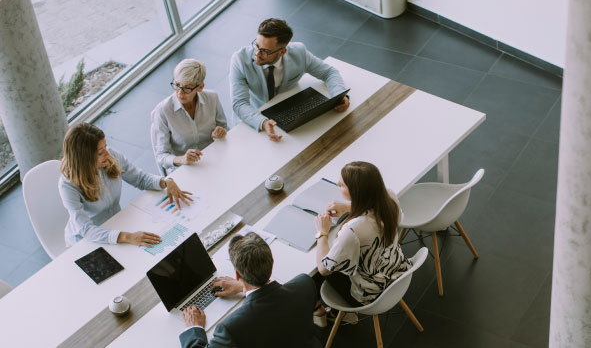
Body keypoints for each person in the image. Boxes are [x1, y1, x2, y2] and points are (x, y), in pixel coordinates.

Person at [59, 123, 192, 247]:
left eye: (105, 146)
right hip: (87, 242)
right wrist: (127, 237)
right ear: (84, 158)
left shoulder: (111, 156)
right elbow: (86, 229)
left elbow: (140, 179)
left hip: (117, 225)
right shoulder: (67, 185)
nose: (107, 153)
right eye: (100, 152)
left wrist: (166, 182)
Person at [180, 233, 319, 348]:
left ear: (237, 275)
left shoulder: (230, 329)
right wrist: (243, 286)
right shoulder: (304, 284)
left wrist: (194, 329)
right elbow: (279, 302)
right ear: (271, 262)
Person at [230, 18, 349, 142]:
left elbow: (329, 72)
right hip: (256, 114)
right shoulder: (240, 60)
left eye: (265, 51)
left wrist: (339, 96)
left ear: (282, 51)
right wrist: (263, 122)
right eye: (257, 45)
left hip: (289, 108)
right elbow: (239, 103)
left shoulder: (299, 52)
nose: (257, 54)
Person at [313, 161, 412, 310]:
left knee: (313, 276)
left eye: (341, 185)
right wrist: (348, 207)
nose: (337, 184)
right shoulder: (389, 198)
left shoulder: (353, 230)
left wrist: (322, 232)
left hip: (369, 294)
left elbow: (323, 268)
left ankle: (321, 312)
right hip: (396, 271)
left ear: (355, 191)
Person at [151, 58, 228, 175]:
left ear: (200, 87)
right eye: (177, 85)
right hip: (184, 169)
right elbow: (161, 156)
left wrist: (222, 131)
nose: (179, 93)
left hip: (214, 158)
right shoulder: (163, 111)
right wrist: (181, 159)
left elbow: (224, 126)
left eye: (187, 88)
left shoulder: (213, 98)